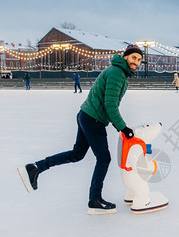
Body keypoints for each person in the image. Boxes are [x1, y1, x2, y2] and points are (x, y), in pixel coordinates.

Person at [17, 44, 143, 215]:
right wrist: (122, 128)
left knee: (77, 154)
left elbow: (109, 103)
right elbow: (110, 104)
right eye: (134, 57)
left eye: (139, 59)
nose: (137, 61)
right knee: (104, 159)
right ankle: (94, 200)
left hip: (86, 115)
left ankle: (36, 167)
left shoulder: (119, 72)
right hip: (93, 119)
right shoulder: (117, 73)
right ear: (126, 57)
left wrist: (121, 126)